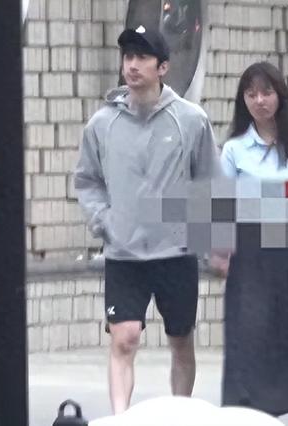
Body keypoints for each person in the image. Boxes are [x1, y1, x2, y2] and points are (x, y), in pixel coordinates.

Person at [74, 25, 220, 414]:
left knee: (180, 339)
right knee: (124, 338)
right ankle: (121, 418)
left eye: (142, 58)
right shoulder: (102, 123)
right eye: (128, 57)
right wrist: (104, 221)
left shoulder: (190, 120)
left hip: (175, 253)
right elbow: (87, 180)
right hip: (124, 255)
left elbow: (208, 182)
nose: (132, 66)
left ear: (163, 67)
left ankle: (180, 413)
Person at [218, 61, 288, 426]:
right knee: (251, 343)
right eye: (251, 94)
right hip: (252, 261)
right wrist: (220, 251)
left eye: (266, 92)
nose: (259, 101)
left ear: (280, 95)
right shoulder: (234, 149)